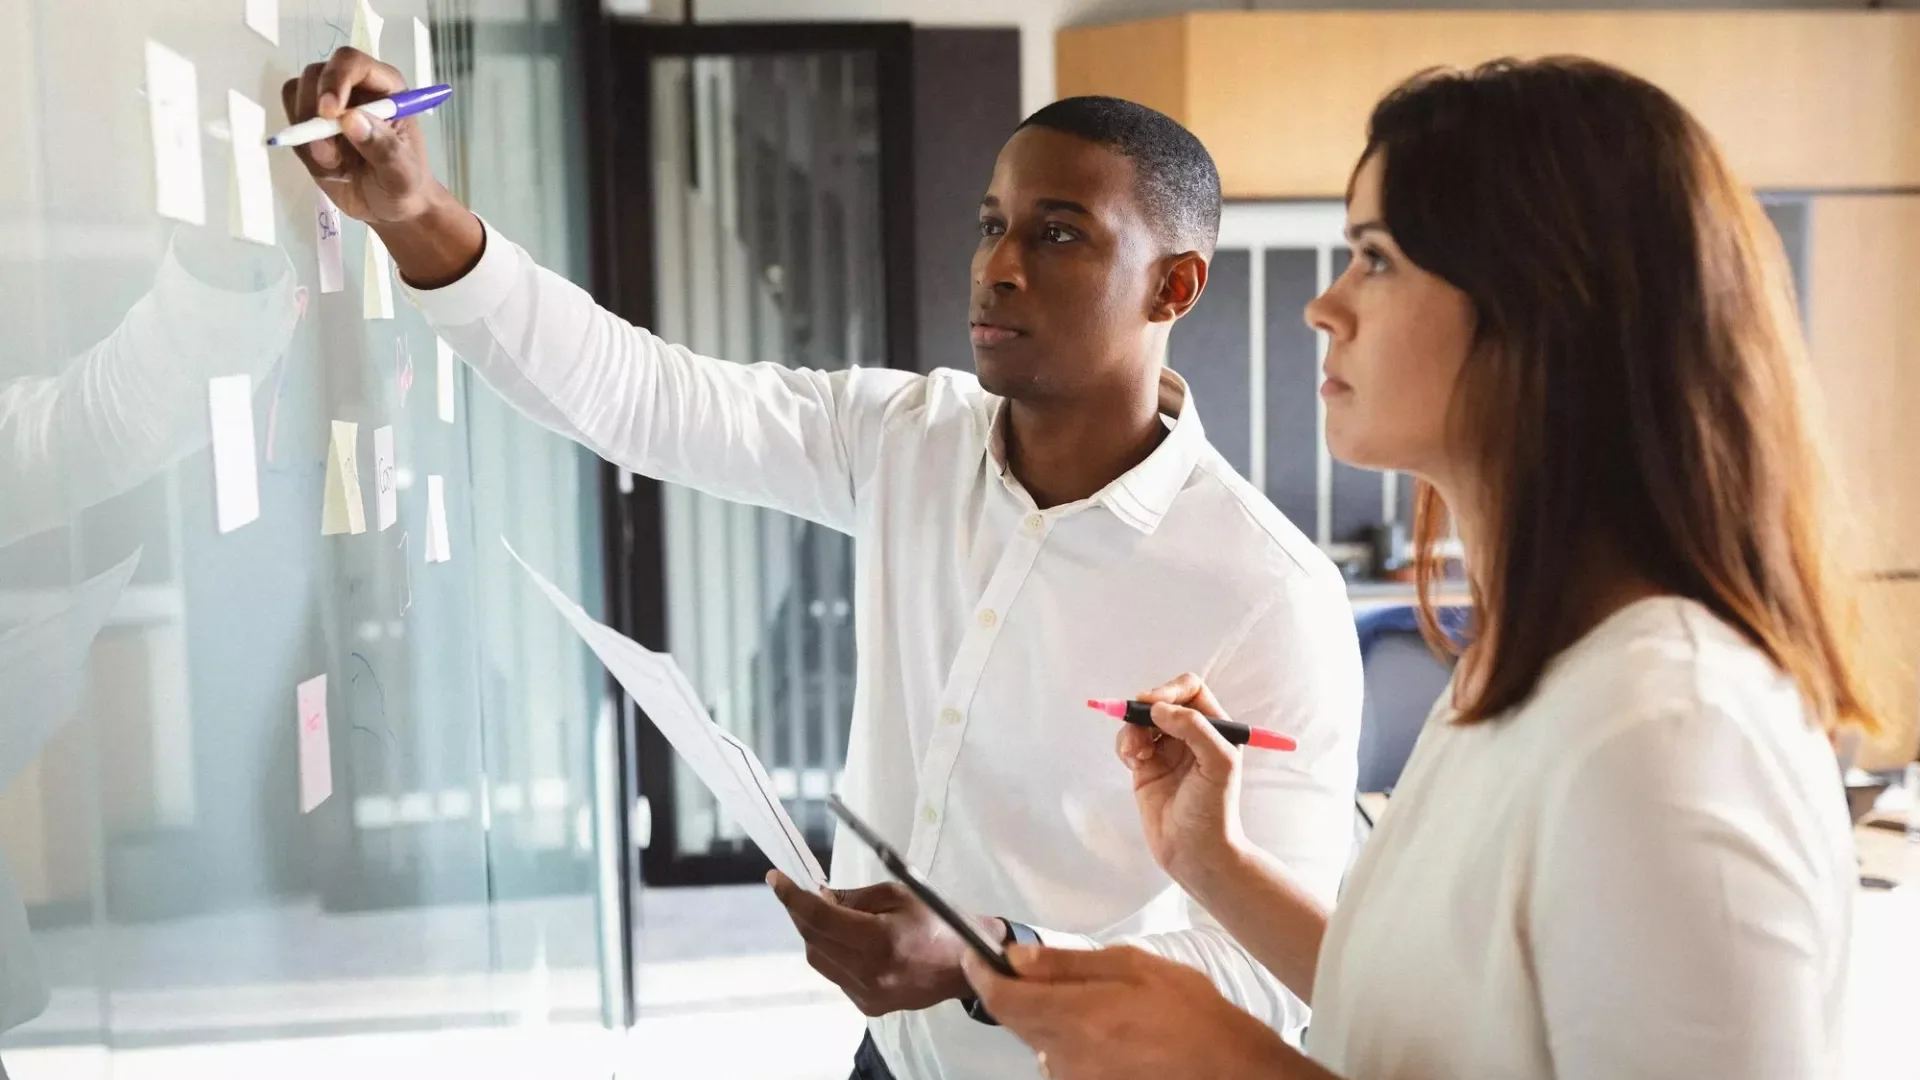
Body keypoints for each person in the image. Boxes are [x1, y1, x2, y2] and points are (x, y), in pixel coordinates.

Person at [280, 49, 1362, 1080]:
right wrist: (416, 213)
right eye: (991, 225)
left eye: (1061, 235)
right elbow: (642, 396)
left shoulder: (1270, 596)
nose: (997, 267)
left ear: (1174, 286)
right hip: (890, 1064)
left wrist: (995, 954)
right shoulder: (908, 436)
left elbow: (1277, 981)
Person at [961, 56, 1880, 1080]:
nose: (1324, 306)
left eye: (1376, 257)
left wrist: (1233, 1064)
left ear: (1544, 307)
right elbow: (1431, 1025)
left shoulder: (1672, 730)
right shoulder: (1524, 678)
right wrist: (1213, 868)